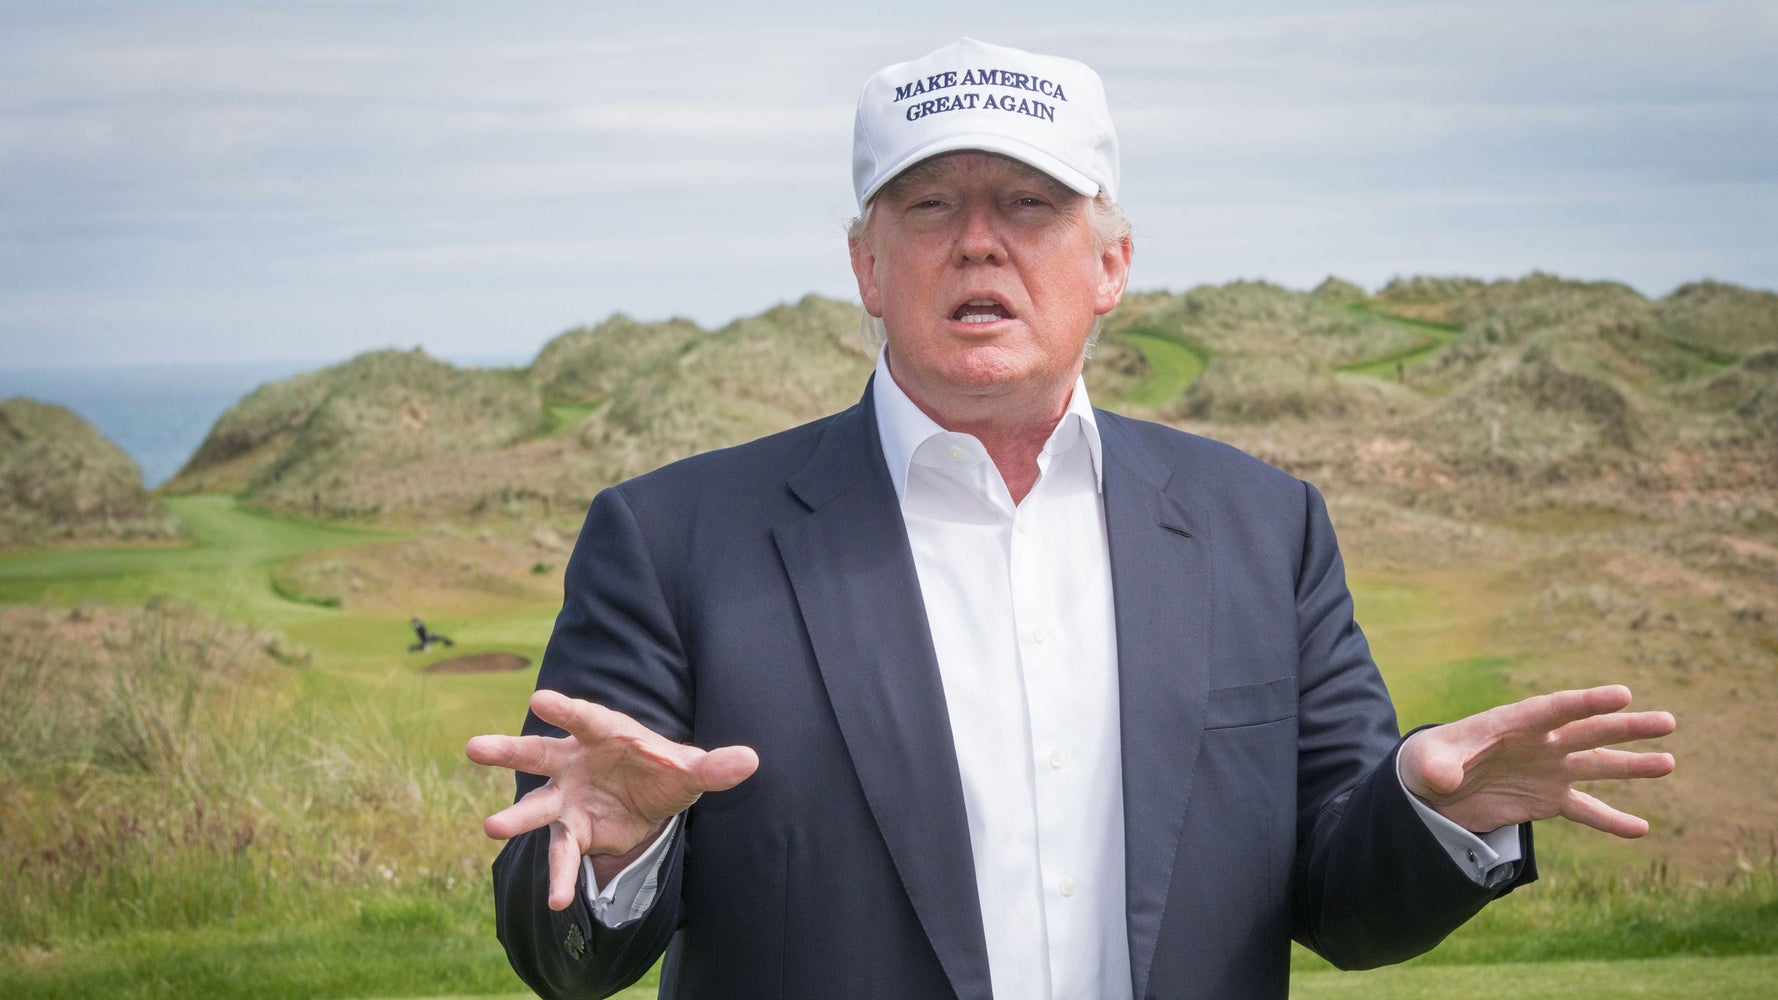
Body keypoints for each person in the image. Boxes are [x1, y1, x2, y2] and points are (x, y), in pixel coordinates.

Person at [466, 38, 1675, 1000]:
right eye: (927, 203)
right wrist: (617, 853)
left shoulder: (1263, 527)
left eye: (1030, 203)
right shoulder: (671, 541)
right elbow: (561, 958)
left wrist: (1428, 808)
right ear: (866, 267)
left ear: (1109, 266)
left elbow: (1341, 905)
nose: (977, 240)